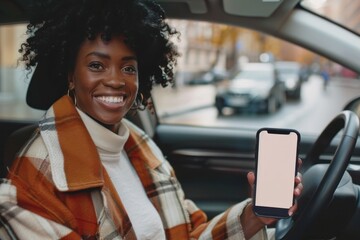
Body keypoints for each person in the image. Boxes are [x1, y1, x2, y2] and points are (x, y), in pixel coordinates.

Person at [0, 0, 302, 239]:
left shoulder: (140, 144)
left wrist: (253, 217)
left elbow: (188, 234)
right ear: (70, 76)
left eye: (128, 68)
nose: (116, 80)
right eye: (96, 65)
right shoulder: (36, 176)